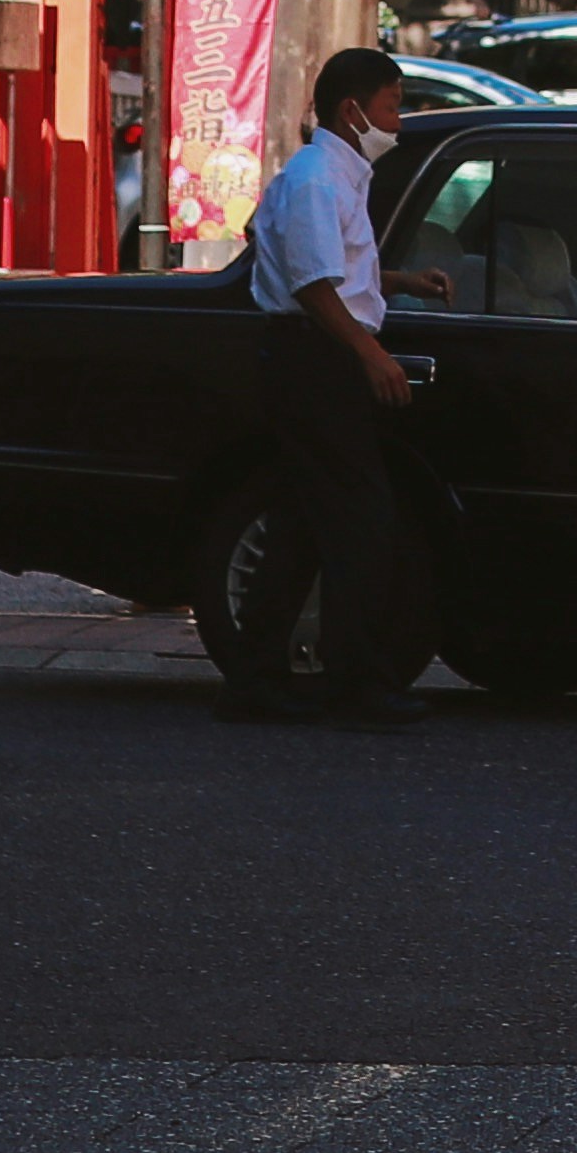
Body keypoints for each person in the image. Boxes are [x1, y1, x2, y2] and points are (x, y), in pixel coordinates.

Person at [233, 44, 434, 725]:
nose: (398, 122)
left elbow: (334, 265)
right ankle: (358, 683)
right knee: (360, 523)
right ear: (354, 111)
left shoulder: (333, 174)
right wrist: (369, 353)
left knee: (302, 526)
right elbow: (313, 284)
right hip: (316, 360)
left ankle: (255, 678)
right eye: (391, 107)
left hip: (312, 357)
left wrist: (397, 282)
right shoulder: (319, 176)